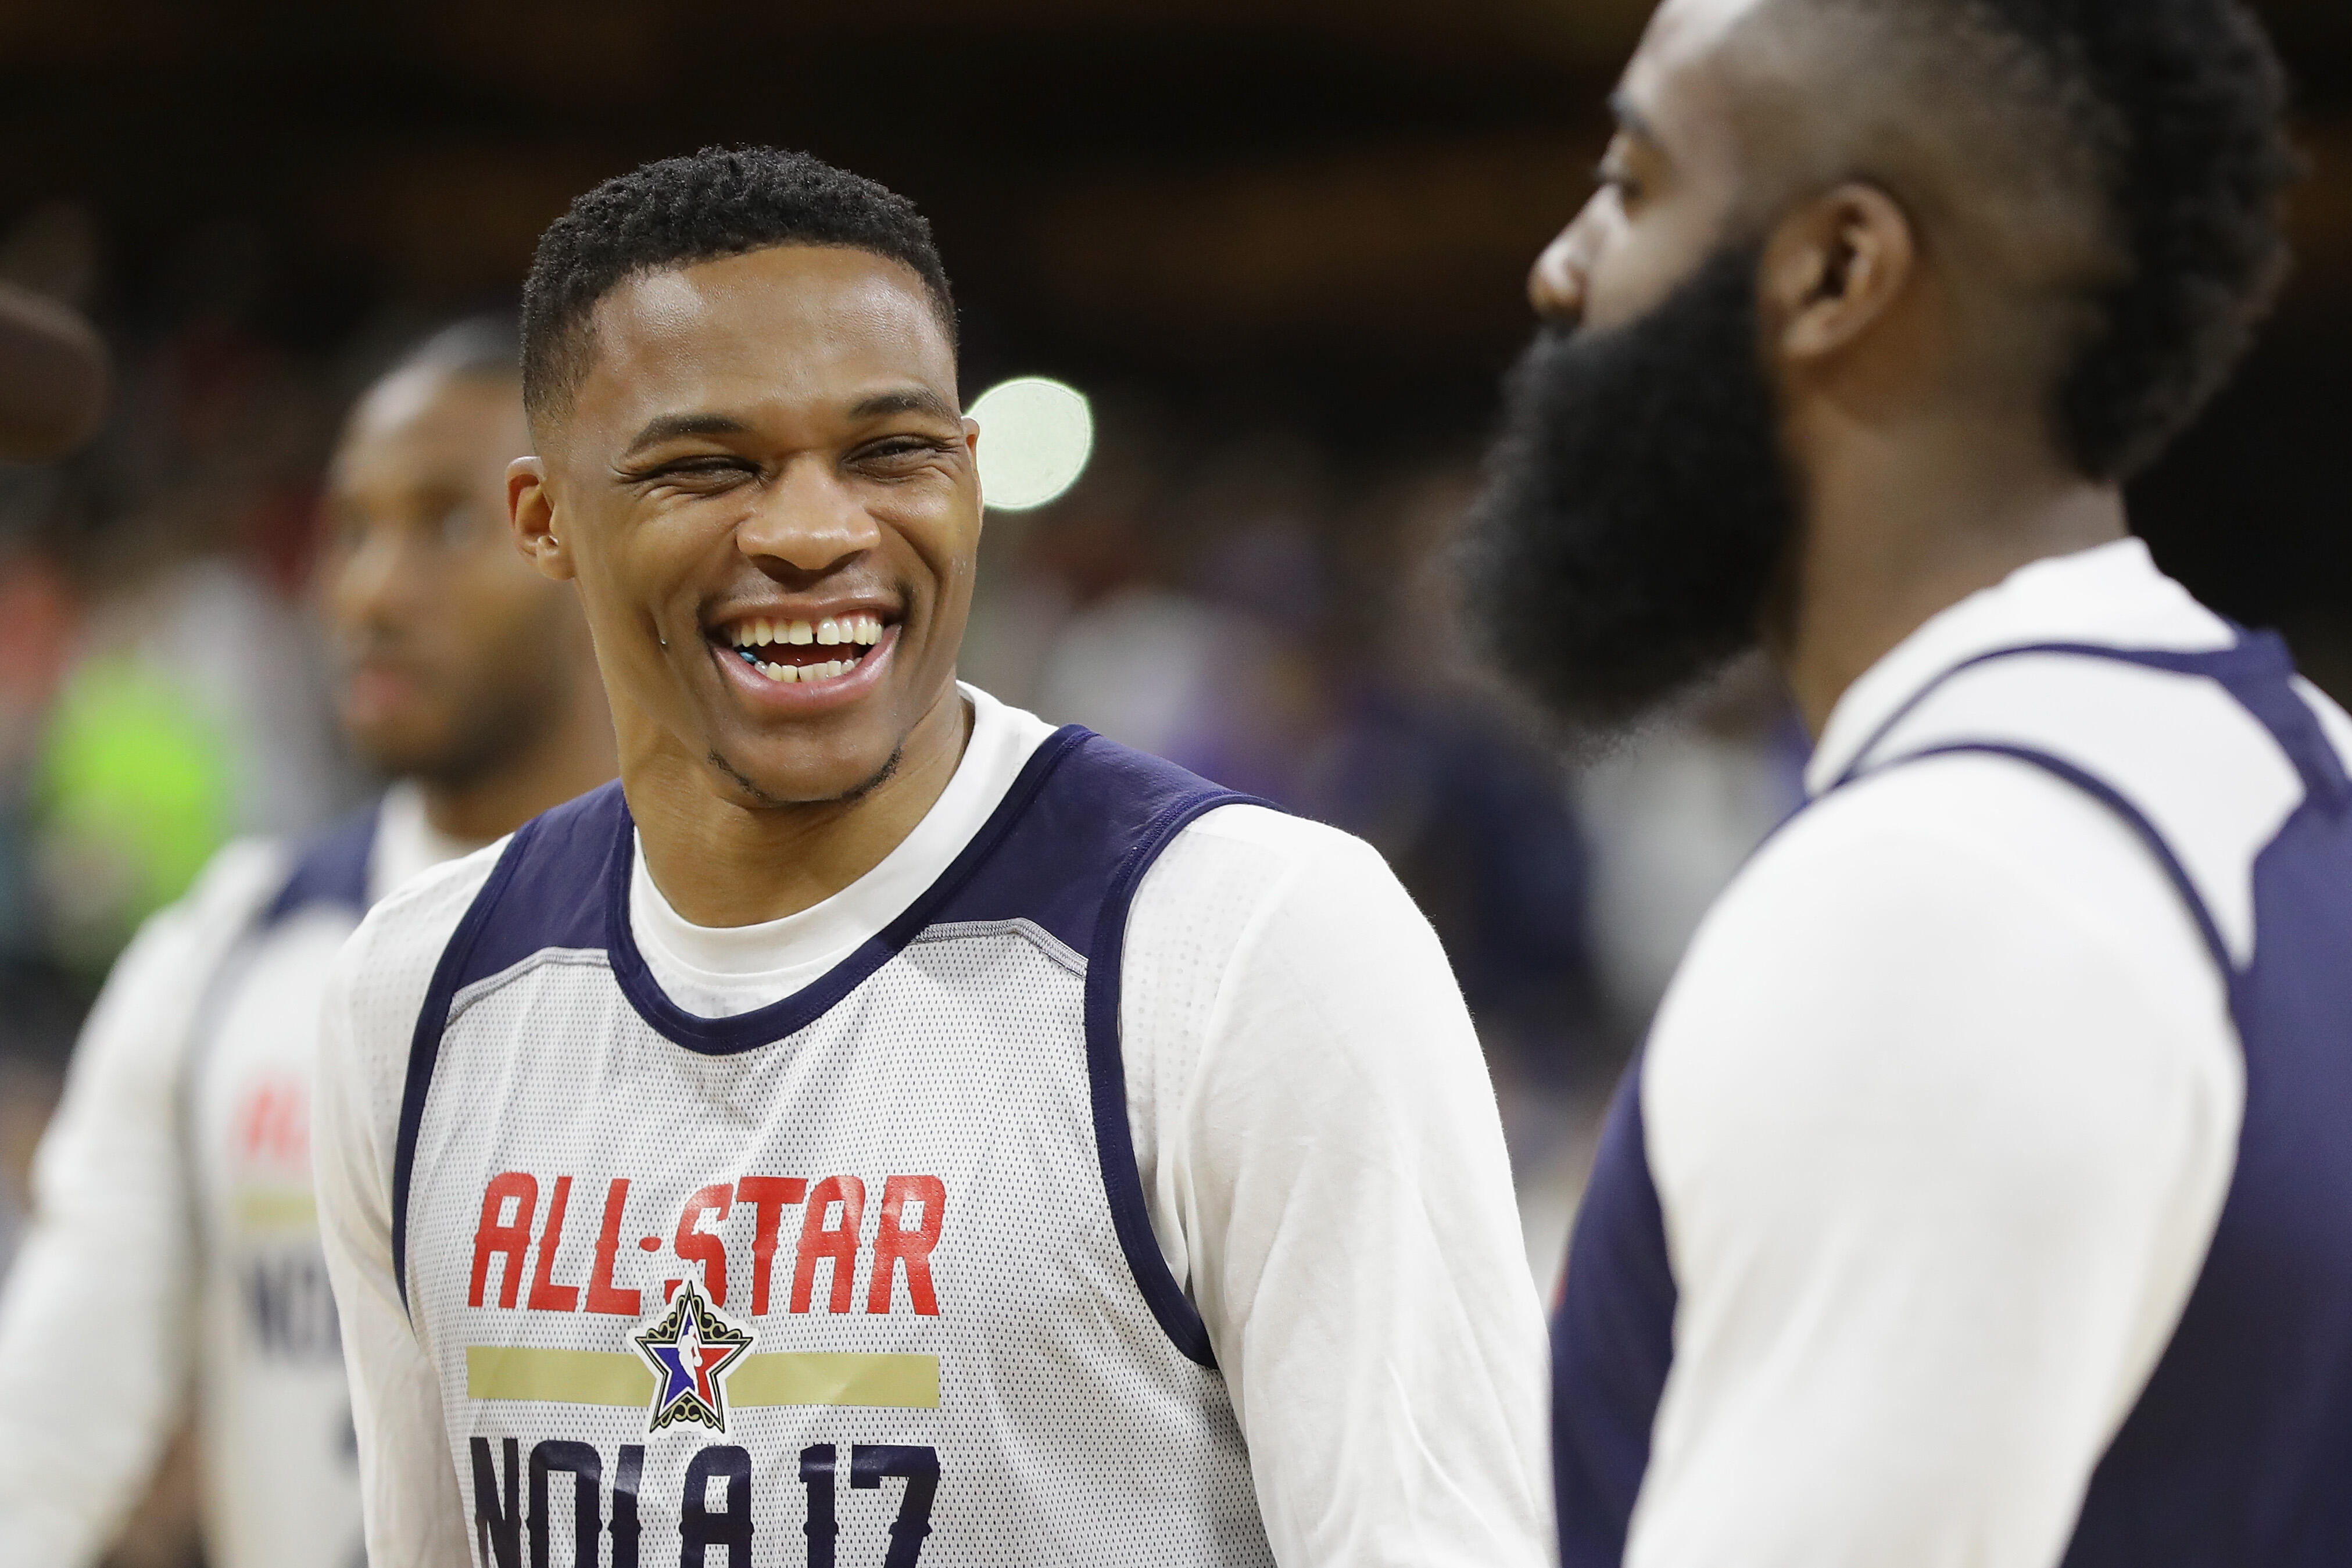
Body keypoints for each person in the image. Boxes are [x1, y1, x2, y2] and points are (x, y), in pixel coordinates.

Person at [312, 146, 1549, 1568]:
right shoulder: (417, 993)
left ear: (967, 474)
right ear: (547, 522)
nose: (815, 532)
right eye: (710, 465)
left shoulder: (1248, 942)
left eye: (891, 452)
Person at [1457, 0, 2321, 1563]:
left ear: (1836, 273)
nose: (1562, 266)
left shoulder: (1946, 901)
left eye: (1634, 184)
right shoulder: (2301, 765)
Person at [0, 317, 618, 1568]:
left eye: (450, 523)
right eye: (349, 529)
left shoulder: (768, 958)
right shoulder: (226, 948)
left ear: (599, 547)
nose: (371, 590)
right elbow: (45, 1450)